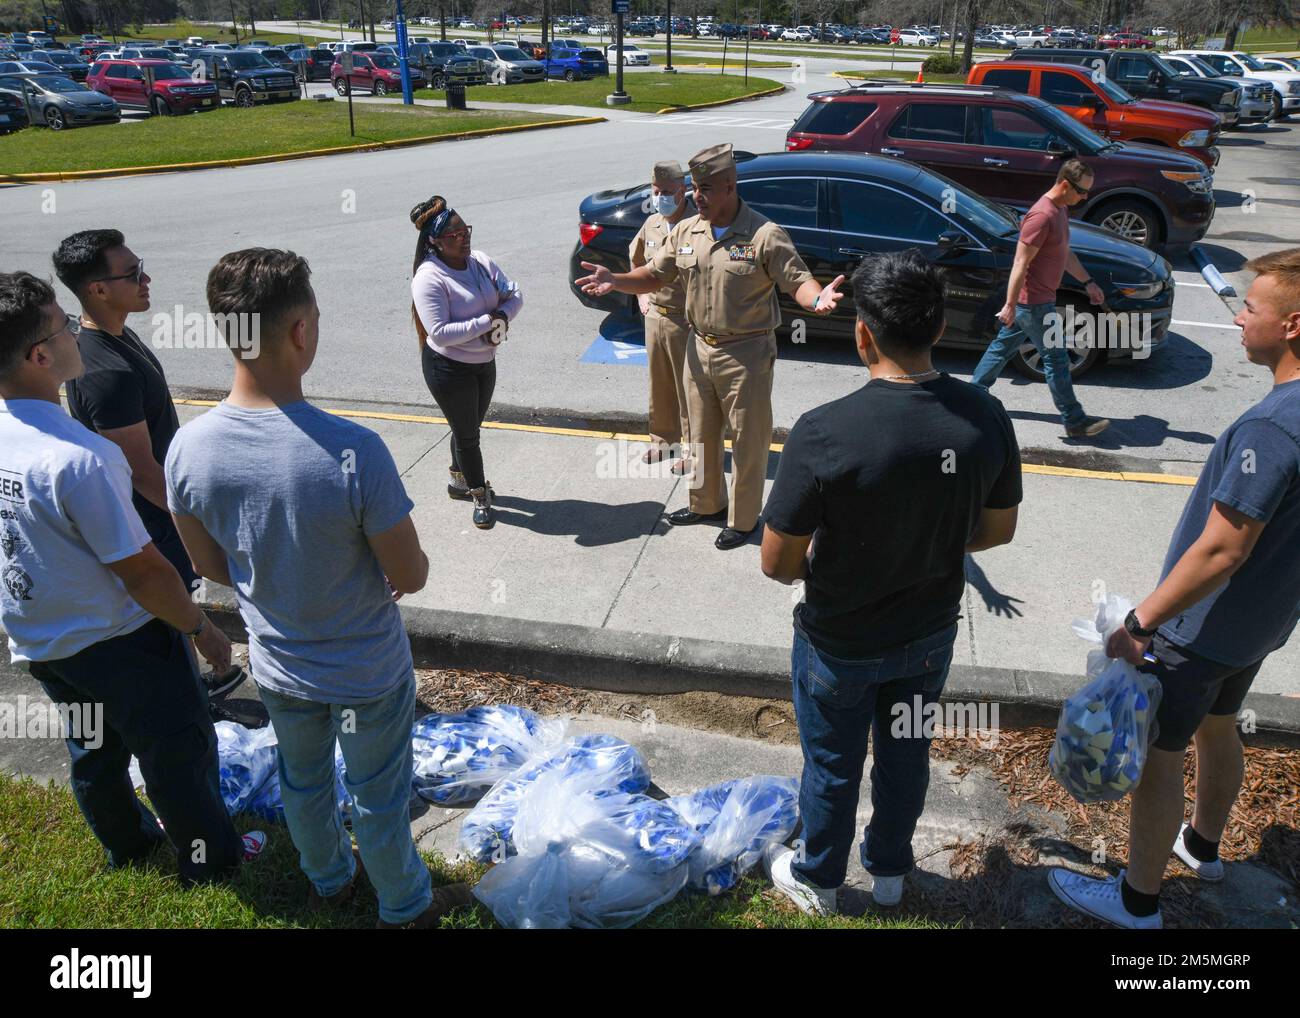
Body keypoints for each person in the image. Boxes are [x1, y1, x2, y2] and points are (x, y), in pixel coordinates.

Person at [165, 247, 470, 928]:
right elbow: (411, 574)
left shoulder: (188, 449)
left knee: (303, 784)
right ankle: (405, 904)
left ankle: (329, 882)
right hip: (366, 671)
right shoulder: (353, 450)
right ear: (300, 330)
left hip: (279, 667)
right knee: (378, 795)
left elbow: (212, 564)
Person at [758, 251, 1023, 915]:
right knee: (905, 758)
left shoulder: (823, 432)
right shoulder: (985, 415)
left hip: (839, 641)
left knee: (833, 764)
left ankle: (818, 876)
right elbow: (998, 530)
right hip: (928, 636)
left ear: (862, 334)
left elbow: (776, 561)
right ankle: (890, 873)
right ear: (936, 329)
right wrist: (927, 540)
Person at [1049, 248, 1300, 930]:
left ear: (1293, 325)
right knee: (1220, 729)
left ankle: (1137, 903)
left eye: (1252, 307)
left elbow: (1222, 549)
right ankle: (1204, 846)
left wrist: (1140, 621)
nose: (1239, 316)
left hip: (1200, 629)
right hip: (1258, 627)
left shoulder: (1272, 428)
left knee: (1161, 755)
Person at [0, 270, 265, 885]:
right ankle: (211, 861)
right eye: (63, 326)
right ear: (41, 355)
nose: (74, 333)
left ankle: (128, 844)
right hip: (121, 641)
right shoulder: (82, 458)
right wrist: (201, 629)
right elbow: (143, 572)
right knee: (178, 751)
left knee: (94, 750)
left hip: (41, 639)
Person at [577, 142, 845, 550]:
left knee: (747, 441)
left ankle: (742, 519)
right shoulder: (687, 231)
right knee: (699, 436)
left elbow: (797, 280)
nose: (696, 197)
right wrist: (616, 280)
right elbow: (653, 275)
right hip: (697, 347)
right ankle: (706, 504)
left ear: (730, 187)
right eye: (694, 187)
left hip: (747, 354)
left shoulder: (763, 234)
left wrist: (816, 299)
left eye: (705, 189)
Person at [52, 229, 243, 704]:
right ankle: (192, 703)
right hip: (152, 521)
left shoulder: (105, 335)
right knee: (170, 613)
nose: (146, 278)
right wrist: (195, 522)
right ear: (97, 289)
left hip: (157, 514)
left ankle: (193, 691)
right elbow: (140, 469)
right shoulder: (106, 372)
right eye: (133, 273)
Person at [969, 158, 1111, 439]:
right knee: (1057, 359)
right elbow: (1020, 263)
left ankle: (972, 397)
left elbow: (1065, 253)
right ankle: (1074, 419)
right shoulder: (1041, 215)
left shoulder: (1059, 210)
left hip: (1036, 300)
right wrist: (1010, 304)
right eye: (1082, 192)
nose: (1085, 198)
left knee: (1001, 349)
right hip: (1033, 302)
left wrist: (1088, 282)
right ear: (1064, 184)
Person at [410, 195, 522, 530]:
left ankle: (456, 480)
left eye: (465, 230)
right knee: (469, 435)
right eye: (453, 236)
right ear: (435, 242)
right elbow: (441, 333)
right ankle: (478, 495)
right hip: (448, 369)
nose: (463, 238)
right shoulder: (429, 278)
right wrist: (489, 323)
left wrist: (503, 314)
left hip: (484, 363)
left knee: (467, 426)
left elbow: (514, 294)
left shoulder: (481, 261)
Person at [629, 160, 692, 471]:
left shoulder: (697, 223)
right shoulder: (652, 223)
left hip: (688, 320)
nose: (661, 197)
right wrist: (642, 294)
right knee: (660, 384)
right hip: (656, 317)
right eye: (657, 191)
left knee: (690, 389)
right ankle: (662, 441)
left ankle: (693, 451)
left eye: (667, 192)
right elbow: (636, 259)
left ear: (682, 192)